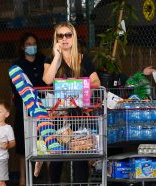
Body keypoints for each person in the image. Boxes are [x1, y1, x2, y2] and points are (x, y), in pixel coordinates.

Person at [43, 21, 100, 184]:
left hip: (78, 114)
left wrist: (79, 83)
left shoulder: (83, 58)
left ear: (73, 37)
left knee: (80, 154)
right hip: (58, 115)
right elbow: (47, 79)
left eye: (68, 35)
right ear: (56, 39)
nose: (64, 39)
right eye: (60, 36)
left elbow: (96, 81)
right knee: (56, 155)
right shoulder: (51, 58)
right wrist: (57, 56)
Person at [10, 32, 47, 186]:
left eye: (34, 44)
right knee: (23, 145)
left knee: (45, 140)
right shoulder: (17, 66)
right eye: (28, 44)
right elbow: (15, 88)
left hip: (43, 107)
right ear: (22, 47)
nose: (32, 47)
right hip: (24, 108)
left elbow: (47, 83)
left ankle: (46, 177)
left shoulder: (43, 61)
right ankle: (23, 179)